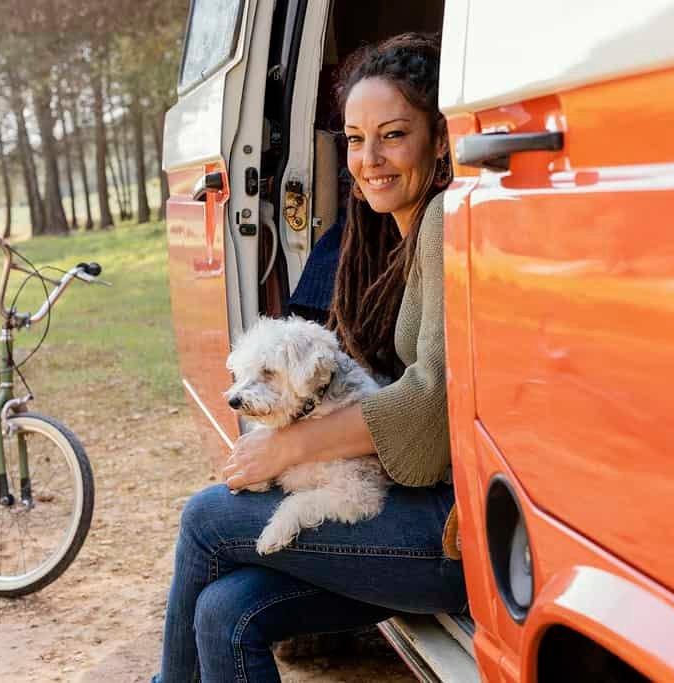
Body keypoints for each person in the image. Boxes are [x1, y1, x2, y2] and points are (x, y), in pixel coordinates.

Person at [153, 32, 462, 682]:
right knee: (223, 609)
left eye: (393, 134)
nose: (369, 158)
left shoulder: (440, 222)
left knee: (206, 516)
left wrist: (292, 447)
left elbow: (430, 404)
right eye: (353, 138)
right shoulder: (390, 232)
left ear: (440, 138)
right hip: (408, 508)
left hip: (449, 530)